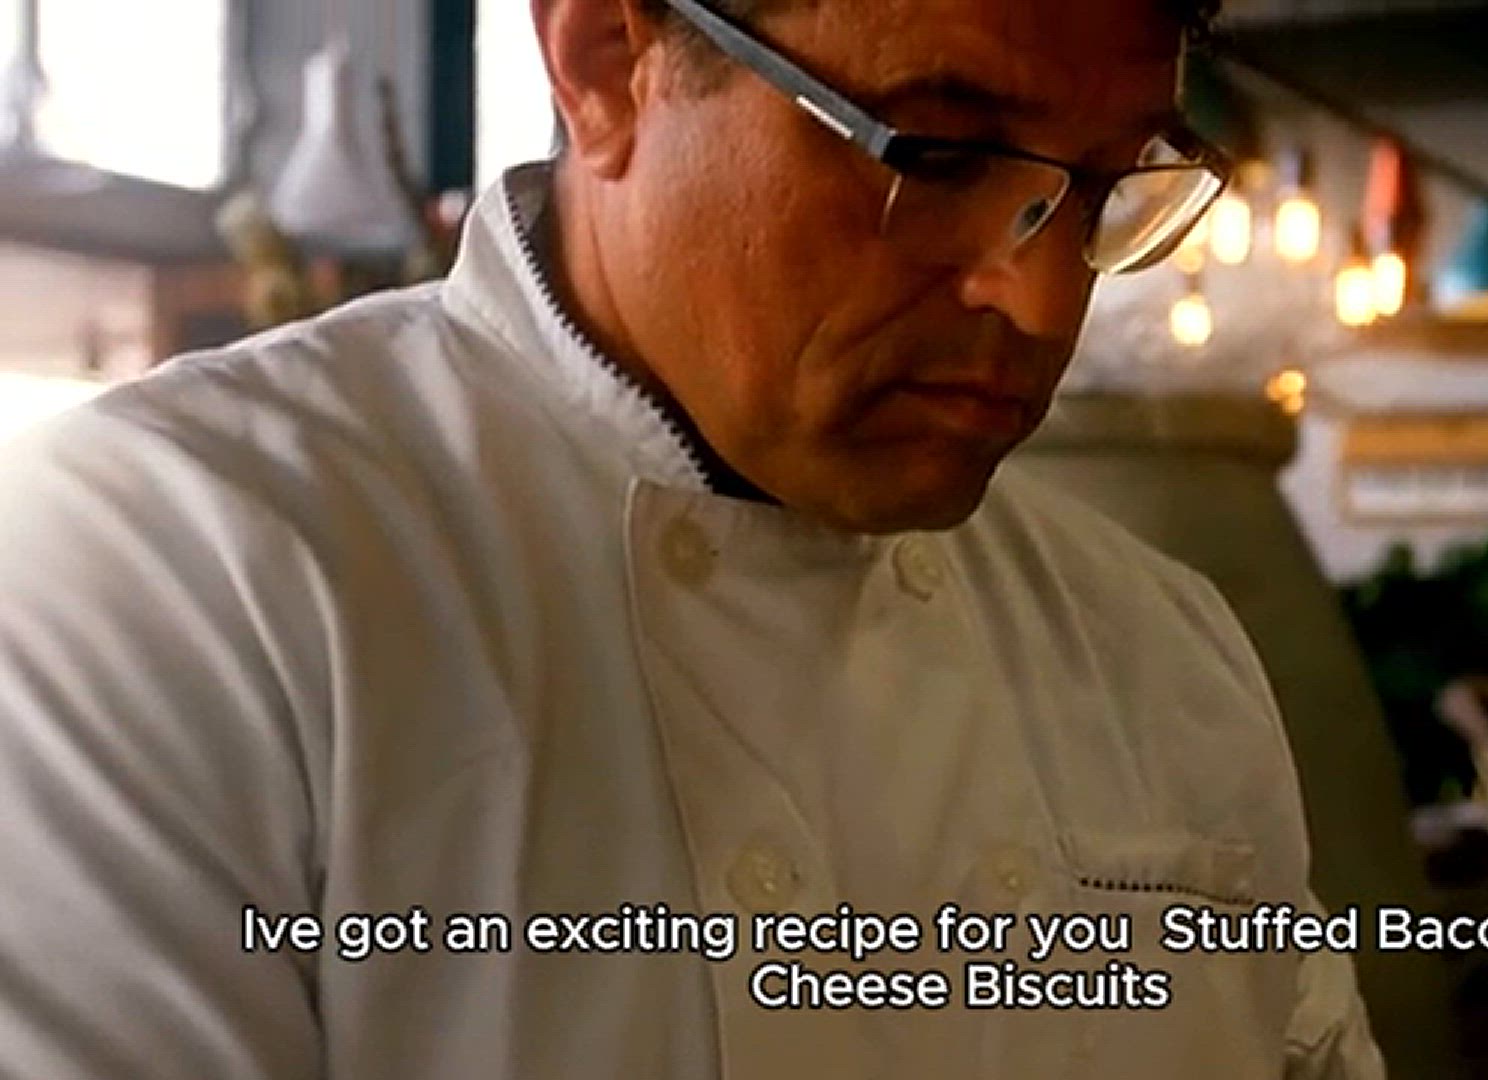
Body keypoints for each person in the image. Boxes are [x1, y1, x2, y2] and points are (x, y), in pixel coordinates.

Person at [0, 0, 1384, 1076]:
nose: (1037, 299)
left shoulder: (1159, 649)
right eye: (937, 155)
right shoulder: (176, 570)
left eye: (1102, 186)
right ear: (607, 61)